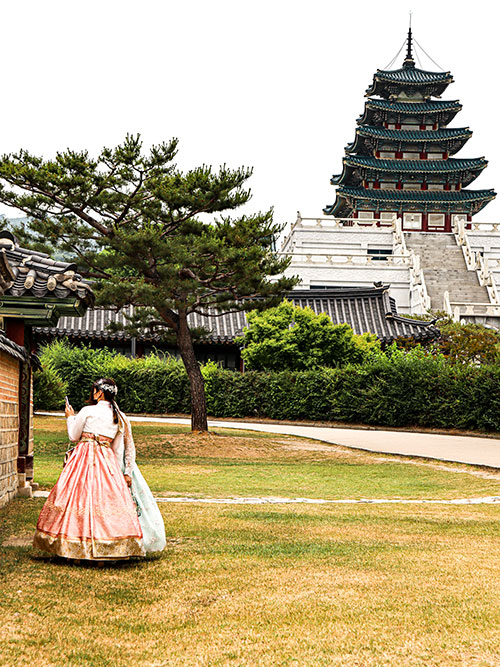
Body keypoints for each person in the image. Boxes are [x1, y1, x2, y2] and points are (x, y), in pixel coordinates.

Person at [33, 378, 145, 561]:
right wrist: (120, 474)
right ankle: (109, 546)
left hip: (83, 460)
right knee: (105, 503)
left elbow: (73, 436)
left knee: (76, 500)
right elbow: (118, 450)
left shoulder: (87, 411)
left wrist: (70, 417)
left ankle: (73, 548)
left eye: (94, 390)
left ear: (100, 393)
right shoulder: (120, 416)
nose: (92, 393)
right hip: (106, 461)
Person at [111, 405, 166, 553]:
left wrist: (128, 471)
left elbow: (129, 446)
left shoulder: (121, 418)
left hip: (121, 466)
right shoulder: (96, 416)